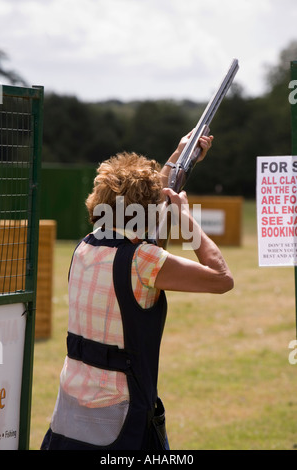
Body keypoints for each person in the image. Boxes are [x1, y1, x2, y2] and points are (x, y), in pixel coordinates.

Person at [41, 131, 233, 451]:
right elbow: (221, 278)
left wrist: (179, 155)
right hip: (121, 420)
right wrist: (186, 219)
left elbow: (135, 202)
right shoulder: (143, 260)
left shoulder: (86, 245)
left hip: (70, 413)